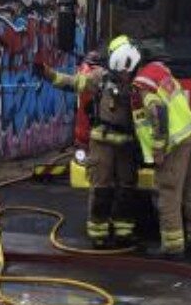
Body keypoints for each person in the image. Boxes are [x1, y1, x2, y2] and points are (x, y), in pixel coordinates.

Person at [36, 37, 141, 248]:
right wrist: (48, 74)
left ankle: (123, 233)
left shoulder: (139, 82)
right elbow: (74, 82)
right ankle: (98, 234)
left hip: (127, 146)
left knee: (126, 190)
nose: (125, 73)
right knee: (101, 188)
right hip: (102, 143)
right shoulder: (99, 78)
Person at [131, 52, 191, 257]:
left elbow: (159, 113)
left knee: (168, 192)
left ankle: (173, 247)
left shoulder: (142, 84)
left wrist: (158, 148)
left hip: (174, 142)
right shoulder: (159, 71)